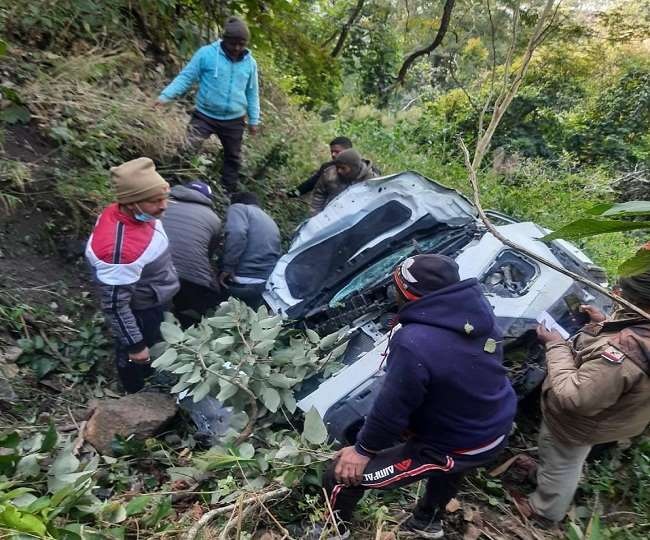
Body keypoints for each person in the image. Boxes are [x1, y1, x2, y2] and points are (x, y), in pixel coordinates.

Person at [323, 254, 517, 538]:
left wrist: (363, 450)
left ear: (406, 293)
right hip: (493, 427)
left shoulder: (414, 341)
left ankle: (329, 532)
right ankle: (428, 522)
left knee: (341, 477)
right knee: (450, 471)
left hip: (459, 442)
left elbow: (392, 408)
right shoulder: (477, 314)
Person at [517, 273, 650, 524]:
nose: (617, 296)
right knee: (563, 456)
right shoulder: (641, 331)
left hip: (582, 421)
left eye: (625, 295)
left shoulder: (625, 354)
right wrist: (605, 325)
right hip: (611, 418)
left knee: (563, 458)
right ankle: (543, 477)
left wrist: (556, 346)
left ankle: (544, 511)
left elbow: (576, 398)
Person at [85, 158, 179, 393]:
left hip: (153, 295)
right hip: (142, 308)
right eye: (155, 201)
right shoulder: (120, 251)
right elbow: (116, 305)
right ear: (130, 203)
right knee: (134, 358)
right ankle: (134, 392)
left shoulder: (135, 216)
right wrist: (136, 345)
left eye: (164, 197)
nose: (164, 205)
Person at [156, 16, 260, 191]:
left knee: (233, 158)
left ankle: (227, 192)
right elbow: (186, 77)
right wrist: (165, 97)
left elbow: (252, 92)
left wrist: (254, 119)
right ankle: (170, 184)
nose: (236, 48)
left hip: (234, 119)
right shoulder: (206, 54)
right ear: (224, 39)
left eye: (241, 44)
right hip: (204, 115)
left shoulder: (250, 63)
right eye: (233, 43)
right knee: (188, 148)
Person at [161, 181, 222, 327]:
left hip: (155, 269)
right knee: (205, 301)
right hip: (191, 276)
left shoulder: (163, 205)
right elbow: (208, 254)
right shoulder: (214, 219)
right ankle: (187, 335)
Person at [219, 192, 281, 309]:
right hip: (263, 285)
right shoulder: (270, 221)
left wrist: (227, 267)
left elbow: (237, 233)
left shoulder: (239, 208)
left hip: (240, 280)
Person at [310, 148, 378, 215]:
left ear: (354, 168)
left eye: (343, 168)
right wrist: (315, 214)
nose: (339, 171)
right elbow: (318, 194)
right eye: (337, 167)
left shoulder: (372, 181)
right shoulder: (330, 174)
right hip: (327, 215)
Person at [288, 136, 353, 198]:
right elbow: (310, 184)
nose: (333, 154)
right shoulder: (327, 167)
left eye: (337, 152)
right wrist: (290, 194)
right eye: (332, 152)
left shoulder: (359, 170)